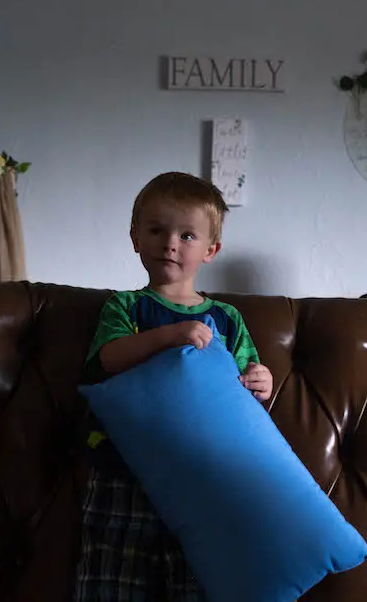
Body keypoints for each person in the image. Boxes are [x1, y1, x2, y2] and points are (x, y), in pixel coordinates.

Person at [74, 171, 274, 601]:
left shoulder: (225, 317)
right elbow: (109, 358)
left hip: (198, 470)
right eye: (157, 230)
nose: (170, 243)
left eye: (186, 235)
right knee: (111, 576)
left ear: (211, 250)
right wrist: (170, 335)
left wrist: (262, 380)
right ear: (135, 239)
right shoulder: (127, 305)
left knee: (194, 578)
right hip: (123, 466)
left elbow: (244, 384)